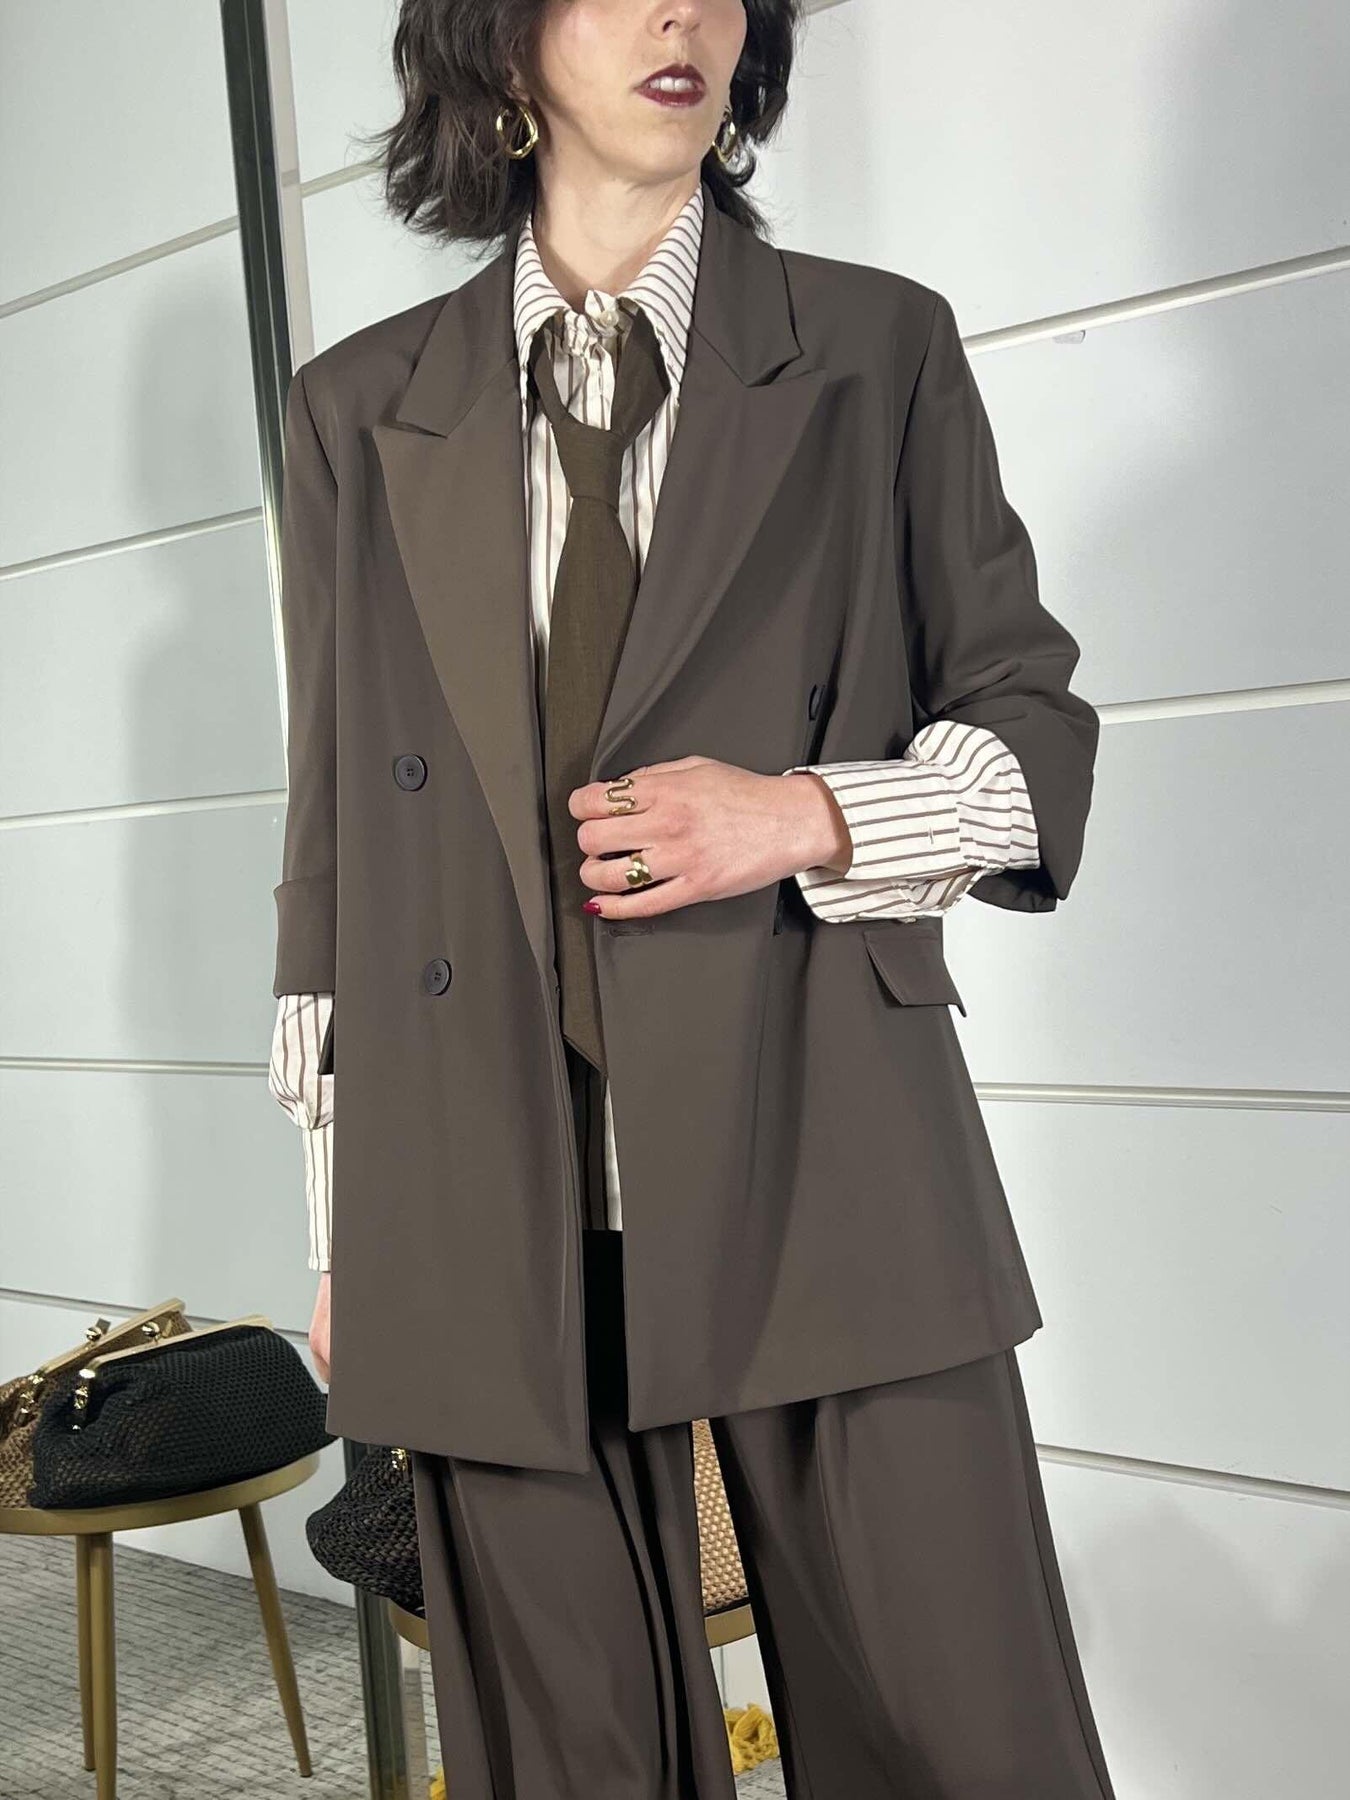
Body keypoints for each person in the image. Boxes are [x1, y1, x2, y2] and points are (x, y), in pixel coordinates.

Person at [267, 2, 1116, 1795]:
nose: (681, 14)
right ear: (499, 50)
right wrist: (348, 1227)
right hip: (483, 1182)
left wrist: (798, 816)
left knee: (961, 1733)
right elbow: (340, 848)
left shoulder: (872, 349)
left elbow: (1030, 726)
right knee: (571, 1756)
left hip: (822, 1133)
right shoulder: (360, 405)